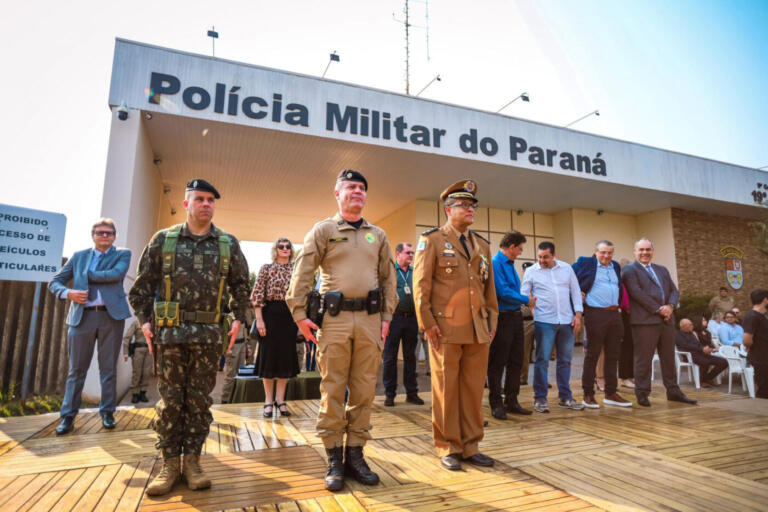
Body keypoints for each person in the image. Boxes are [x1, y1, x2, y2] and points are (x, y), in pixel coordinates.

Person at [129, 179, 250, 496]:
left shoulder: (227, 243)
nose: (206, 204)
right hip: (170, 336)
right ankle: (170, 465)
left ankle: (193, 463)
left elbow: (241, 288)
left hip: (209, 337)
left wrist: (238, 319)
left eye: (211, 200)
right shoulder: (164, 241)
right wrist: (144, 322)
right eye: (199, 199)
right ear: (186, 204)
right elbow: (141, 289)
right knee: (171, 403)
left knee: (199, 403)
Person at [286, 169, 396, 492]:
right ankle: (334, 457)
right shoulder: (324, 230)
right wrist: (299, 314)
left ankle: (356, 455)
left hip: (369, 320)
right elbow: (302, 273)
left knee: (364, 390)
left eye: (362, 188)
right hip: (333, 320)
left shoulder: (378, 234)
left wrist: (387, 316)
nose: (357, 192)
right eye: (351, 187)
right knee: (333, 388)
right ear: (337, 193)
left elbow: (388, 279)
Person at [413, 179, 498, 471]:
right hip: (444, 328)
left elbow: (489, 289)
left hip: (478, 328)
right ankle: (449, 446)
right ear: (449, 209)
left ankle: (471, 445)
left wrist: (492, 321)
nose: (470, 209)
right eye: (464, 205)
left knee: (473, 390)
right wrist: (427, 323)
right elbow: (421, 286)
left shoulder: (483, 244)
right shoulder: (433, 240)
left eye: (473, 205)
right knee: (446, 388)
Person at [48, 218, 132, 435]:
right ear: (93, 235)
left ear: (114, 236)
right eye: (101, 233)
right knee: (76, 371)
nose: (105, 236)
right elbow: (55, 281)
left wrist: (84, 275)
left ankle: (107, 413)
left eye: (109, 233)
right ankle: (67, 417)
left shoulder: (123, 254)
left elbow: (115, 275)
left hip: (110, 318)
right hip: (81, 318)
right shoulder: (79, 256)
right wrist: (69, 293)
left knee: (108, 369)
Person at [621, 238, 696, 407]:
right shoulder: (629, 270)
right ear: (635, 252)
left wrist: (670, 306)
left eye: (648, 249)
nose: (645, 253)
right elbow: (636, 293)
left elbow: (674, 291)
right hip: (645, 322)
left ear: (652, 251)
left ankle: (674, 391)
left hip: (667, 321)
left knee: (669, 358)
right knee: (643, 359)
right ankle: (642, 393)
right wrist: (659, 309)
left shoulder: (662, 270)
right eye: (641, 250)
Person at [521, 241, 584, 413]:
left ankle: (565, 397)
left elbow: (576, 292)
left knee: (565, 361)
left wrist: (578, 315)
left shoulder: (566, 269)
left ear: (553, 255)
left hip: (566, 321)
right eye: (540, 257)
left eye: (545, 257)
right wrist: (531, 305)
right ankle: (540, 399)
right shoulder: (532, 271)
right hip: (544, 321)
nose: (542, 260)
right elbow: (524, 292)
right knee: (542, 360)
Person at [572, 240, 632, 408]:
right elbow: (570, 278)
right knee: (592, 354)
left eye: (610, 253)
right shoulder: (586, 263)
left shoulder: (615, 266)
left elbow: (619, 287)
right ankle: (588, 394)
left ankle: (611, 393)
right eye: (603, 252)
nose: (606, 256)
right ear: (596, 252)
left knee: (613, 355)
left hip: (614, 314)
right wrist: (578, 294)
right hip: (595, 313)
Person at [487, 230, 534, 419]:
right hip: (503, 318)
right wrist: (526, 299)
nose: (520, 253)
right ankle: (496, 403)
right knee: (498, 362)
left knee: (517, 360)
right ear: (512, 246)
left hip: (515, 318)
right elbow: (502, 291)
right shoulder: (496, 263)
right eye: (520, 249)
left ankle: (512, 400)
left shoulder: (510, 264)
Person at [252, 238, 300, 416]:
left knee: (284, 359)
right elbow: (257, 294)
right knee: (269, 358)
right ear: (276, 249)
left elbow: (301, 295)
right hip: (270, 314)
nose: (285, 249)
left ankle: (280, 400)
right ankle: (268, 401)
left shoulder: (296, 269)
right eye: (282, 246)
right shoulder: (266, 268)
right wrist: (259, 320)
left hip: (290, 316)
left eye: (288, 246)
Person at [383, 243, 424, 407]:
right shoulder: (390, 271)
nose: (411, 255)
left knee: (410, 357)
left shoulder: (415, 272)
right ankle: (389, 394)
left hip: (411, 319)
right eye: (407, 253)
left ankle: (412, 393)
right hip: (394, 319)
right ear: (398, 254)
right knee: (390, 357)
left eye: (412, 253)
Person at [675, 318, 728, 387]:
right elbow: (686, 346)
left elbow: (698, 344)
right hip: (690, 355)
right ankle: (702, 381)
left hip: (700, 354)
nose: (692, 326)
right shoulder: (677, 334)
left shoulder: (691, 334)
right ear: (684, 326)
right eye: (690, 325)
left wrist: (708, 349)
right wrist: (702, 349)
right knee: (705, 362)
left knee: (723, 362)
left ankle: (707, 378)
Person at [743, 289, 768, 398]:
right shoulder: (752, 316)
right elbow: (746, 340)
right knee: (764, 389)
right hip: (760, 358)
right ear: (765, 300)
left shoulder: (761, 316)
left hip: (765, 356)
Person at [122, 316, 152, 404]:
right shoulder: (136, 323)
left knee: (146, 372)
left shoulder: (153, 323)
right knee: (137, 372)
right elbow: (127, 337)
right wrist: (125, 352)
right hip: (138, 350)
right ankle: (135, 393)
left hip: (149, 351)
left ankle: (143, 392)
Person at [220, 312, 248, 404]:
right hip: (233, 347)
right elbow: (224, 334)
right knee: (230, 375)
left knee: (240, 374)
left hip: (242, 345)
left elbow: (244, 332)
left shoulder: (242, 316)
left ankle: (236, 398)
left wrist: (247, 346)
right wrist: (227, 349)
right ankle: (225, 399)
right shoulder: (229, 317)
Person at [520, 262, 535, 385]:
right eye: (525, 270)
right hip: (526, 321)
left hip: (541, 319)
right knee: (523, 352)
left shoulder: (539, 283)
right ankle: (522, 378)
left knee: (542, 352)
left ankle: (541, 380)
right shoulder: (519, 285)